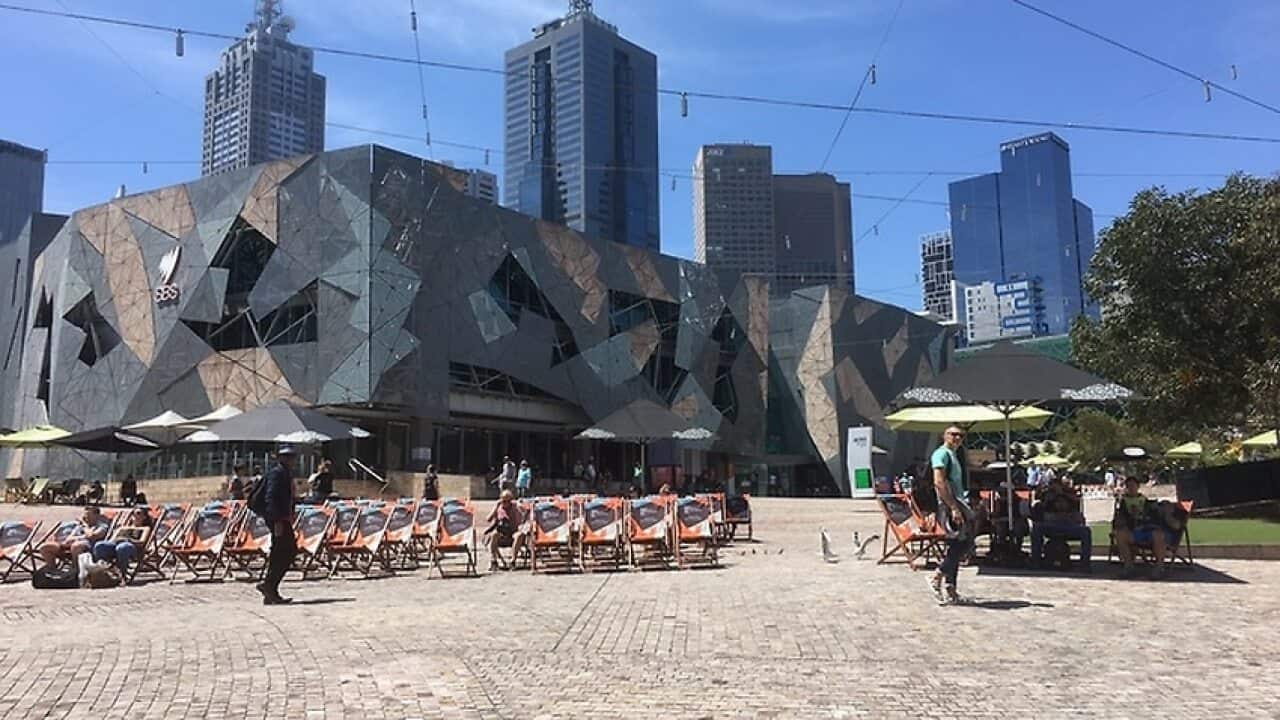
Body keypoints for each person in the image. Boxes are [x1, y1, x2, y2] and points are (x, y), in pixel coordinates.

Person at [927, 426, 974, 605]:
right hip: (949, 504)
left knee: (957, 544)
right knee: (963, 543)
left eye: (960, 435)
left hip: (957, 502)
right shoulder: (941, 454)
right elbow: (939, 482)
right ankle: (937, 577)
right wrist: (953, 507)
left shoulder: (954, 455)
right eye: (953, 434)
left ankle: (951, 588)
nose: (957, 438)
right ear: (943, 436)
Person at [256, 446, 298, 605]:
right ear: (280, 458)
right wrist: (277, 521)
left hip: (282, 518)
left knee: (279, 552)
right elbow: (271, 497)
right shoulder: (277, 473)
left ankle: (270, 590)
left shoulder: (285, 473)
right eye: (287, 457)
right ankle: (269, 585)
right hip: (278, 519)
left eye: (292, 457)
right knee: (288, 551)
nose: (291, 460)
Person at [1030, 475, 1091, 571]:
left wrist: (1063, 493)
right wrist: (1050, 497)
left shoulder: (1069, 495)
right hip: (1050, 525)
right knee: (1037, 528)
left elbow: (1077, 512)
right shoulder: (1047, 495)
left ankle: (1085, 564)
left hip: (1068, 525)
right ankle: (1035, 561)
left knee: (1086, 531)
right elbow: (1041, 510)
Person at [1112, 476, 1167, 579]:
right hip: (1133, 530)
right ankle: (1128, 566)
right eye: (1129, 486)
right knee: (1120, 535)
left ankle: (1159, 567)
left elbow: (1155, 519)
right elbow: (1120, 520)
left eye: (1133, 486)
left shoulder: (1147, 502)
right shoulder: (1123, 502)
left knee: (1158, 535)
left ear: (1138, 487)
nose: (1131, 488)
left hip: (1147, 530)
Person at [92, 506, 153, 584]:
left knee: (122, 547)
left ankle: (122, 575)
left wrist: (127, 540)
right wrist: (117, 539)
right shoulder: (123, 527)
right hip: (115, 544)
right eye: (133, 513)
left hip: (132, 547)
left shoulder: (145, 528)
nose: (134, 515)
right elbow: (112, 539)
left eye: (138, 513)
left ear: (144, 517)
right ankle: (103, 571)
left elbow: (141, 542)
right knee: (100, 545)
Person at [39, 505, 111, 568]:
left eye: (89, 515)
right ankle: (52, 570)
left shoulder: (101, 526)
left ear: (97, 516)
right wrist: (71, 540)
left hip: (86, 547)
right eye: (85, 515)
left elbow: (93, 535)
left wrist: (84, 527)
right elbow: (70, 537)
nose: (86, 518)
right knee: (45, 547)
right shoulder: (79, 526)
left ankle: (76, 571)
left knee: (76, 546)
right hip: (69, 545)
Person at [484, 490, 526, 572]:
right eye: (503, 501)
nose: (505, 503)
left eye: (508, 501)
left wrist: (517, 507)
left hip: (512, 533)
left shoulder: (515, 507)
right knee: (494, 534)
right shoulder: (498, 507)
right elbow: (488, 519)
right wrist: (496, 507)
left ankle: (513, 561)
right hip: (501, 533)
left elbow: (522, 519)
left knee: (519, 535)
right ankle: (493, 561)